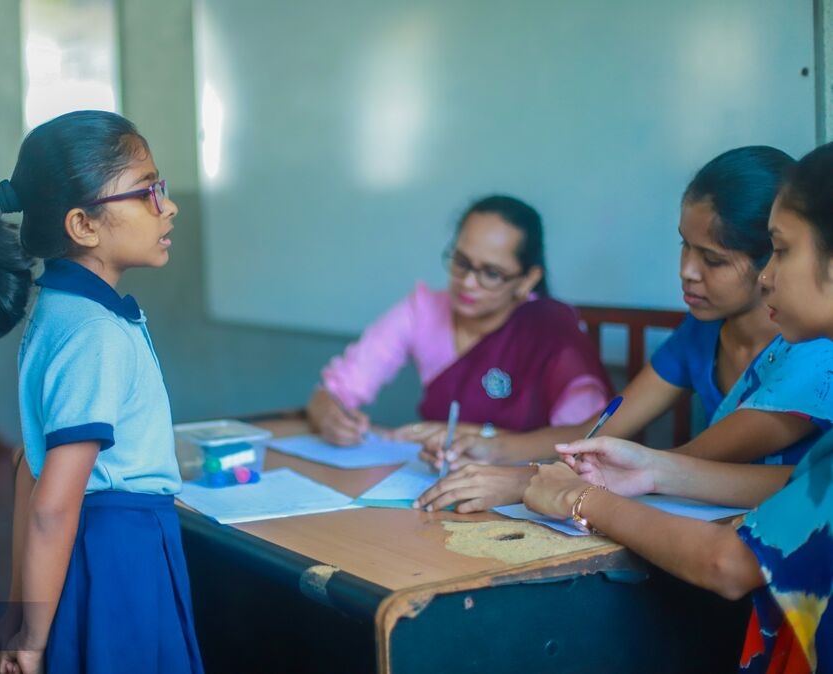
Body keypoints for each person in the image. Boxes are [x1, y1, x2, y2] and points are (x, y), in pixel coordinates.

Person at [523, 141, 833, 674]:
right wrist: (653, 469)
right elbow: (802, 486)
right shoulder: (704, 333)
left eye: (780, 250)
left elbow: (729, 564)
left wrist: (581, 500)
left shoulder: (811, 361)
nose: (765, 276)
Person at [416, 146, 833, 513]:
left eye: (713, 259)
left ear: (767, 260)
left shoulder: (816, 350)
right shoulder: (702, 330)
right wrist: (493, 449)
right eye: (684, 245)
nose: (687, 271)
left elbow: (674, 466)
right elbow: (602, 428)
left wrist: (528, 479)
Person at [0, 110, 203, 674]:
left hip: (88, 552)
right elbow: (54, 504)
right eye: (146, 193)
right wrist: (33, 635)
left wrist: (20, 609)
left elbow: (27, 468)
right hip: (117, 554)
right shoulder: (94, 333)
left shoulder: (61, 312)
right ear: (83, 226)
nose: (169, 205)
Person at [307, 195, 613, 446]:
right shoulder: (422, 310)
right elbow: (334, 390)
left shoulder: (551, 331)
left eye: (491, 274)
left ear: (526, 280)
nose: (467, 282)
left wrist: (477, 437)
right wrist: (329, 417)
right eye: (461, 263)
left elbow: (586, 437)